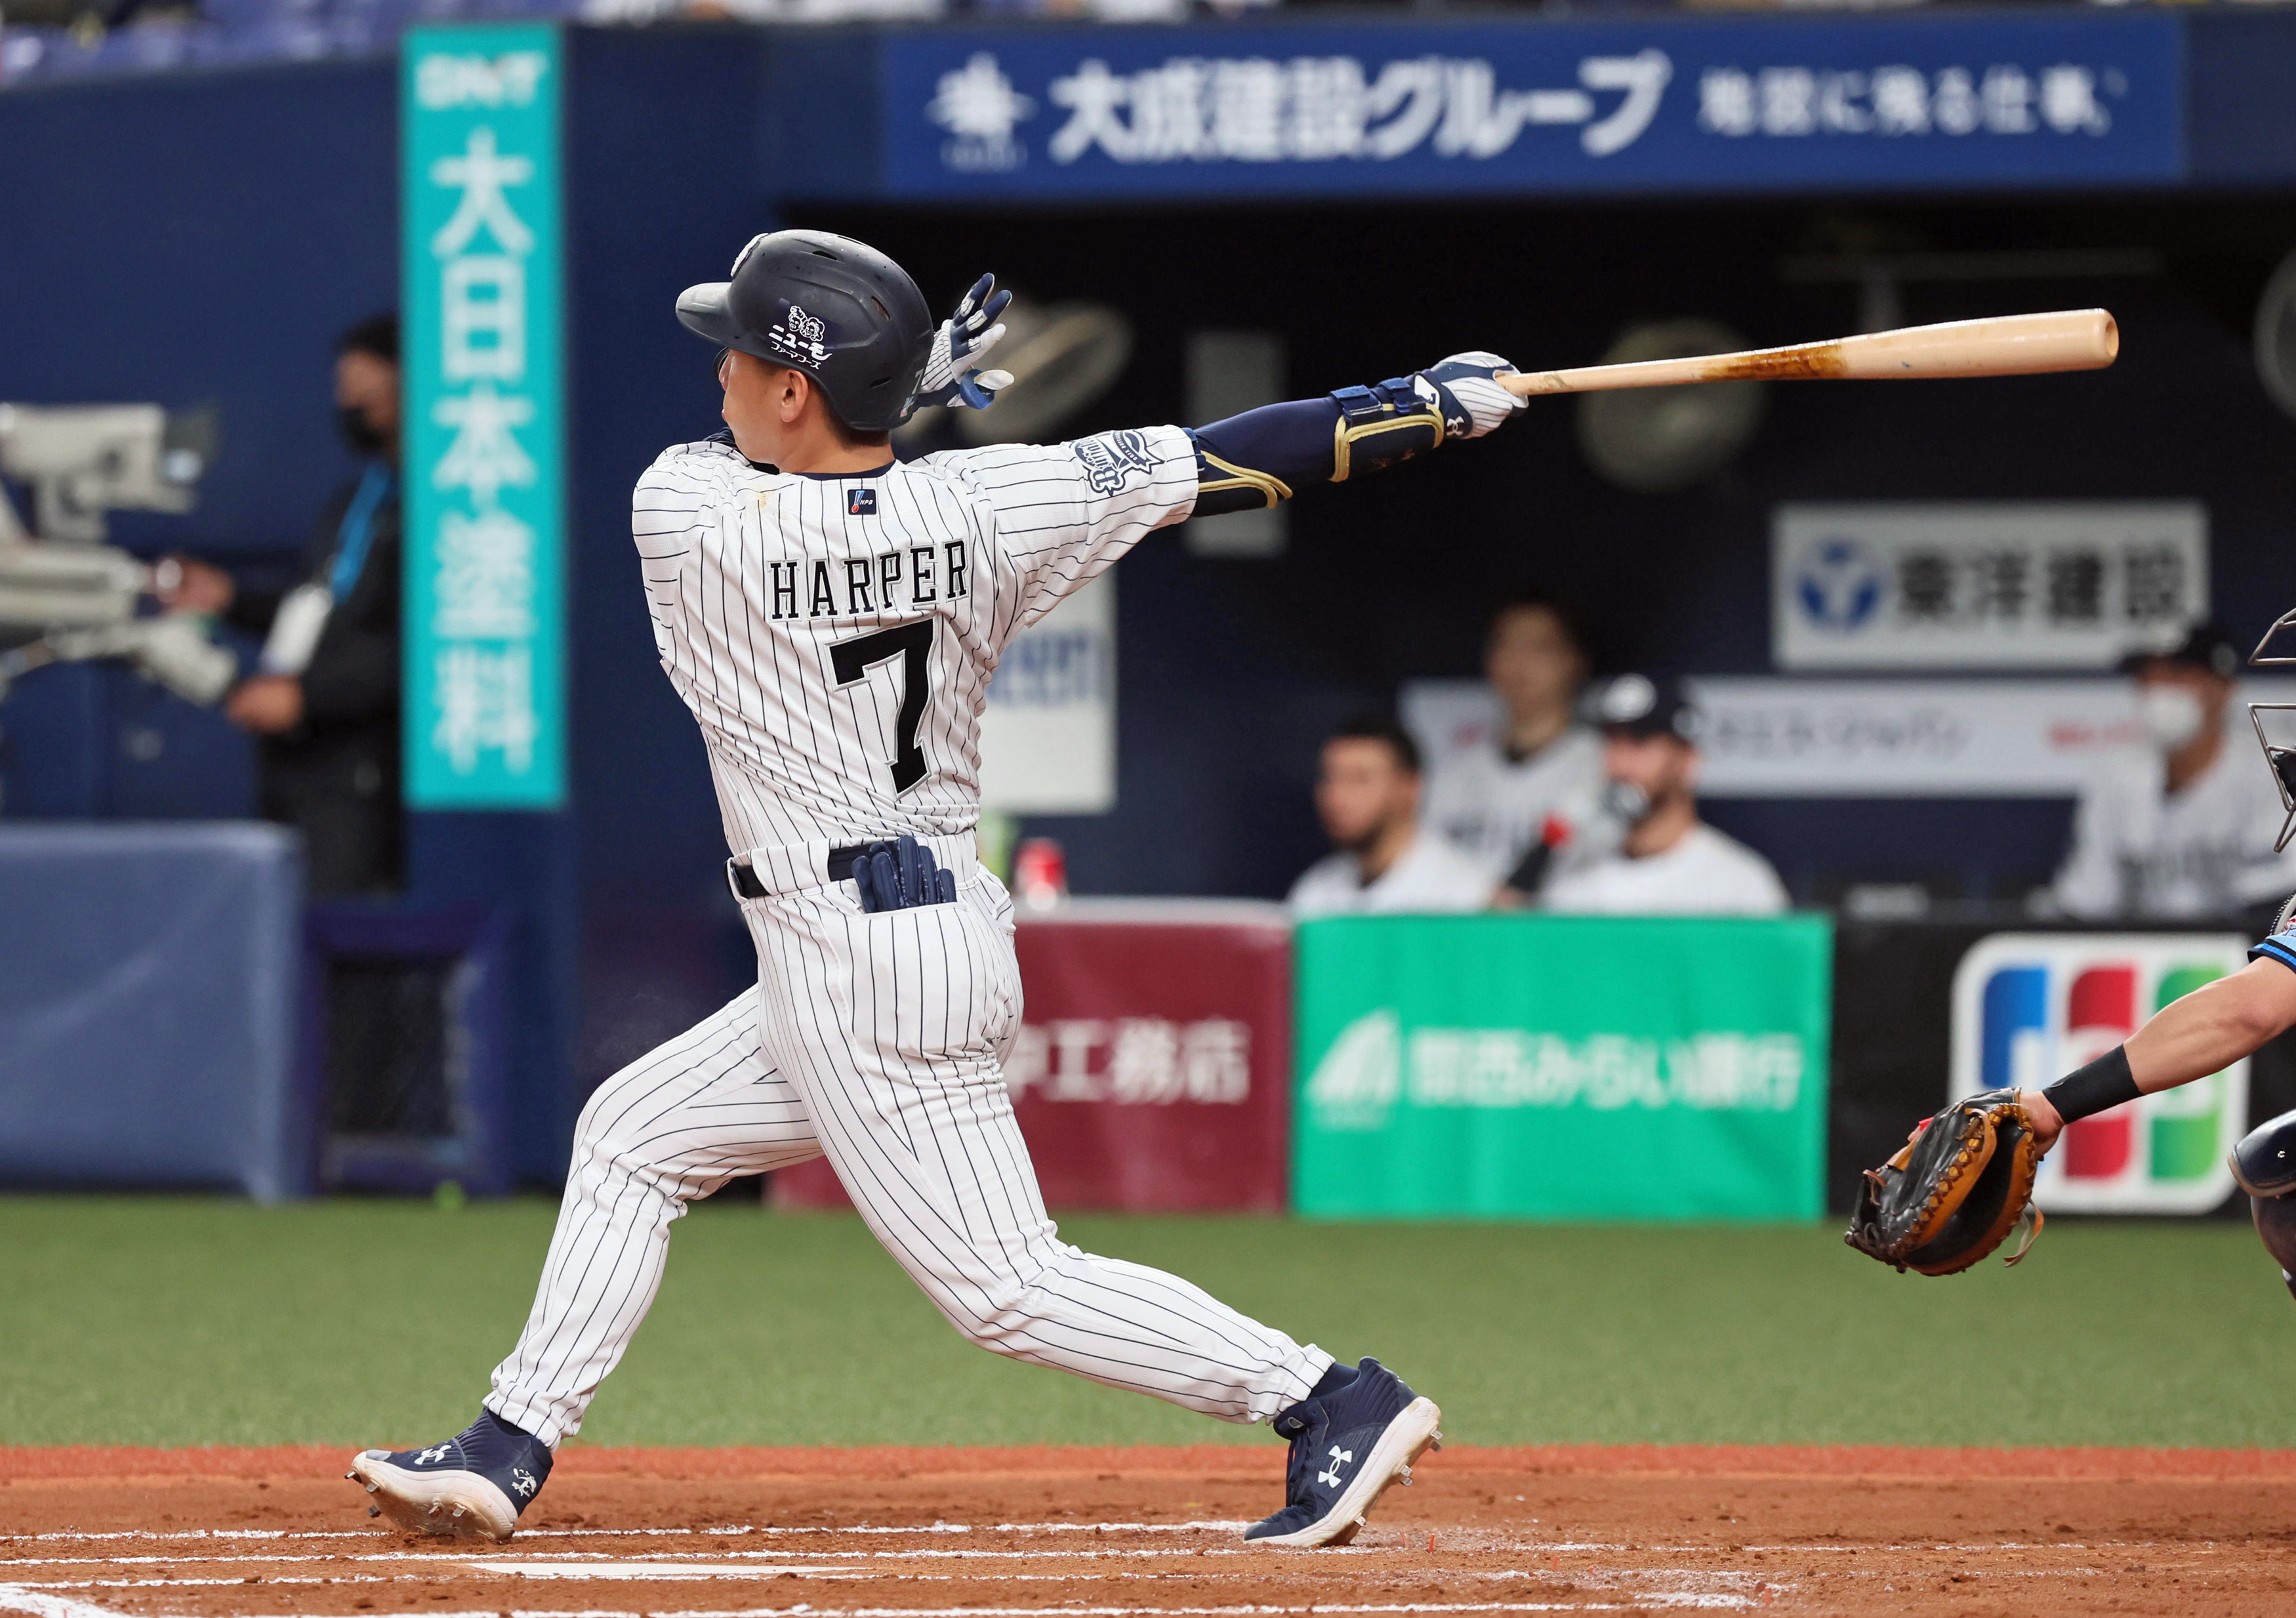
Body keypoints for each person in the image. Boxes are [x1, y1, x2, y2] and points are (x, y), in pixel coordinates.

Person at [346, 234, 1525, 1548]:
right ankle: (507, 1446)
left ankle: (1327, 1398)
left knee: (1004, 1290)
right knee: (634, 1135)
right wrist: (1421, 408)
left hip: (861, 970)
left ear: (797, 390)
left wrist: (896, 389)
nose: (720, 375)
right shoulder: (999, 503)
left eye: (741, 354)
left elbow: (795, 474)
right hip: (896, 937)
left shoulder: (682, 511)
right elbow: (1230, 461)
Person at [159, 314, 404, 896]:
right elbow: (321, 612)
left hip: (364, 768)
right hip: (299, 765)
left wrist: (306, 695)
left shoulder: (443, 506)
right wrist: (230, 600)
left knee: (348, 933)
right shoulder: (359, 497)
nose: (347, 405)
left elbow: (410, 646)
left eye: (361, 391)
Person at [2049, 622, 2296, 921]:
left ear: (2223, 687)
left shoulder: (2271, 771)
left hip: (2244, 953)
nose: (2159, 689)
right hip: (2144, 957)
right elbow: (2086, 903)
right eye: (2149, 677)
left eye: (2178, 675)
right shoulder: (2116, 776)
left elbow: (2278, 902)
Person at [1539, 674, 1788, 917]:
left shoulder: (1739, 886)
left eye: (1640, 741)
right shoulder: (1573, 883)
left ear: (1688, 761)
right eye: (1611, 742)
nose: (1620, 763)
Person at [1420, 586, 1605, 900]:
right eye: (1507, 646)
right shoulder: (1451, 777)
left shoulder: (1602, 769)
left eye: (1539, 648)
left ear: (1575, 660)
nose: (1519, 664)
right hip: (1461, 940)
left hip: (1555, 941)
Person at [1287, 715, 1492, 918]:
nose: (1336, 796)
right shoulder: (1316, 889)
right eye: (1330, 778)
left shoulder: (1464, 896)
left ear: (1409, 789)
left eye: (1360, 779)